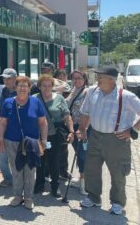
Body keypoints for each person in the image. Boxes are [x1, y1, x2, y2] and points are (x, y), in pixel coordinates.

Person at [78, 66, 140, 215]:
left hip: (116, 139)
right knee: (91, 168)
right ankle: (93, 197)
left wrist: (132, 131)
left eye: (101, 77)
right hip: (95, 135)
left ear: (111, 80)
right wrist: (83, 129)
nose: (97, 80)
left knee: (117, 172)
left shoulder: (126, 96)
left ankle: (117, 202)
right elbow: (85, 112)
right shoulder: (92, 91)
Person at [0, 76, 48, 210]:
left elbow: (43, 123)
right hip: (12, 142)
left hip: (31, 143)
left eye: (25, 85)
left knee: (30, 170)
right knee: (16, 170)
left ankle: (28, 198)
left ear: (29, 88)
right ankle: (17, 196)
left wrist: (43, 140)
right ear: (15, 87)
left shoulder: (36, 102)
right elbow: (3, 122)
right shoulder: (8, 102)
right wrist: (1, 139)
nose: (22, 88)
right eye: (20, 85)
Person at [33, 74, 75, 198]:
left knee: (54, 162)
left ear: (52, 86)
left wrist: (71, 131)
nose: (46, 88)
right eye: (43, 86)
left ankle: (55, 186)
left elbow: (67, 117)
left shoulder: (59, 98)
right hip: (38, 136)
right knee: (39, 161)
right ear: (39, 87)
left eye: (49, 85)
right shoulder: (34, 98)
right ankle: (39, 184)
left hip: (55, 135)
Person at [65, 69, 89, 194]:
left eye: (79, 78)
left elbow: (88, 111)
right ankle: (82, 179)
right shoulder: (72, 91)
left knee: (83, 154)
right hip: (72, 126)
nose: (76, 80)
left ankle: (84, 183)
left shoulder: (87, 92)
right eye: (74, 78)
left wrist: (82, 129)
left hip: (82, 127)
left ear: (84, 79)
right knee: (80, 153)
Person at [0, 68, 18, 187]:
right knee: (1, 154)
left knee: (15, 154)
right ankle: (8, 178)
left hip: (15, 127)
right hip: (1, 126)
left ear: (15, 79)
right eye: (4, 78)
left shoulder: (21, 90)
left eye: (9, 78)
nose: (6, 81)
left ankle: (18, 178)